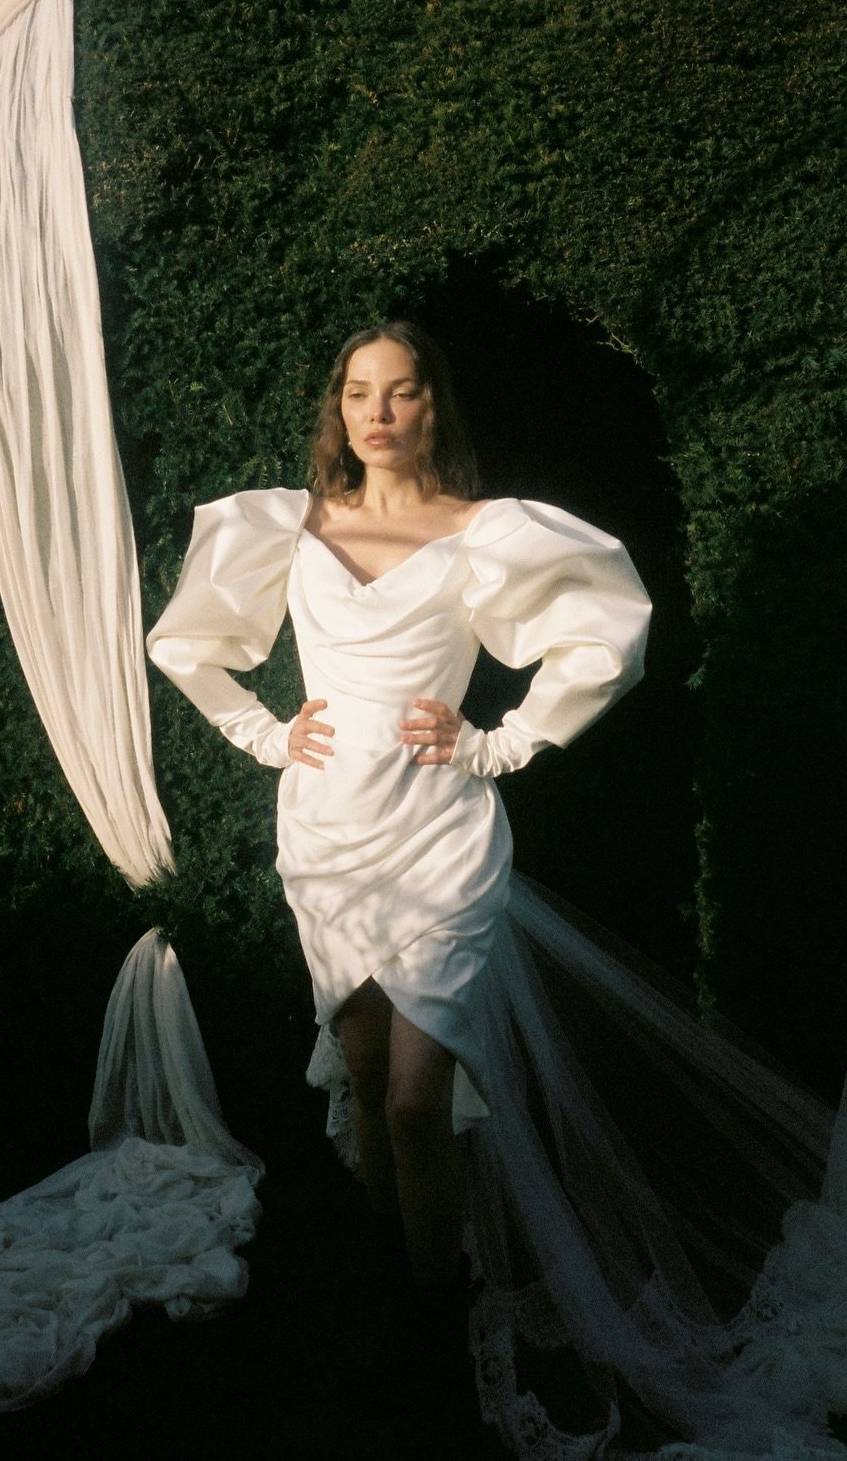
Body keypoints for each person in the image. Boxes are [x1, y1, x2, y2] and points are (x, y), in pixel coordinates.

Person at [144, 321, 652, 1379]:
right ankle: (396, 1267)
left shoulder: (485, 532)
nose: (378, 412)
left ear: (433, 408)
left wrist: (502, 740)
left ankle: (435, 1307)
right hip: (328, 830)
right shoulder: (287, 526)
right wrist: (263, 733)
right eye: (360, 392)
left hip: (437, 832)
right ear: (338, 410)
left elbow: (608, 627)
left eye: (403, 391)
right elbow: (187, 643)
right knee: (369, 1075)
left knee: (419, 1098)